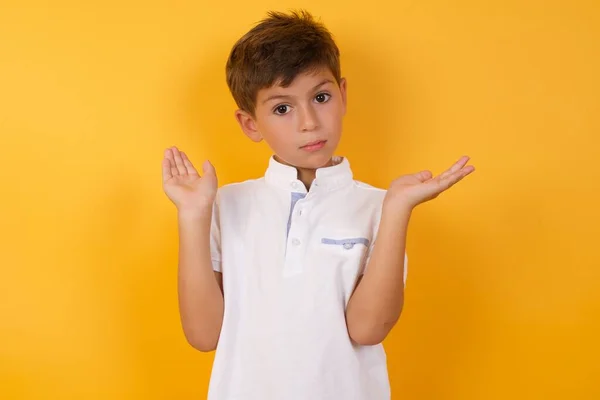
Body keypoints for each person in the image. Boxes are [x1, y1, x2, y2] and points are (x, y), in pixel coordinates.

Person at [161, 9, 474, 400]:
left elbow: (367, 329)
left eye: (321, 97)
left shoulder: (380, 206)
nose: (309, 122)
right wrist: (192, 217)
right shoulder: (223, 205)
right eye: (282, 108)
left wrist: (397, 211)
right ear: (250, 124)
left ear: (343, 95)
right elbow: (204, 335)